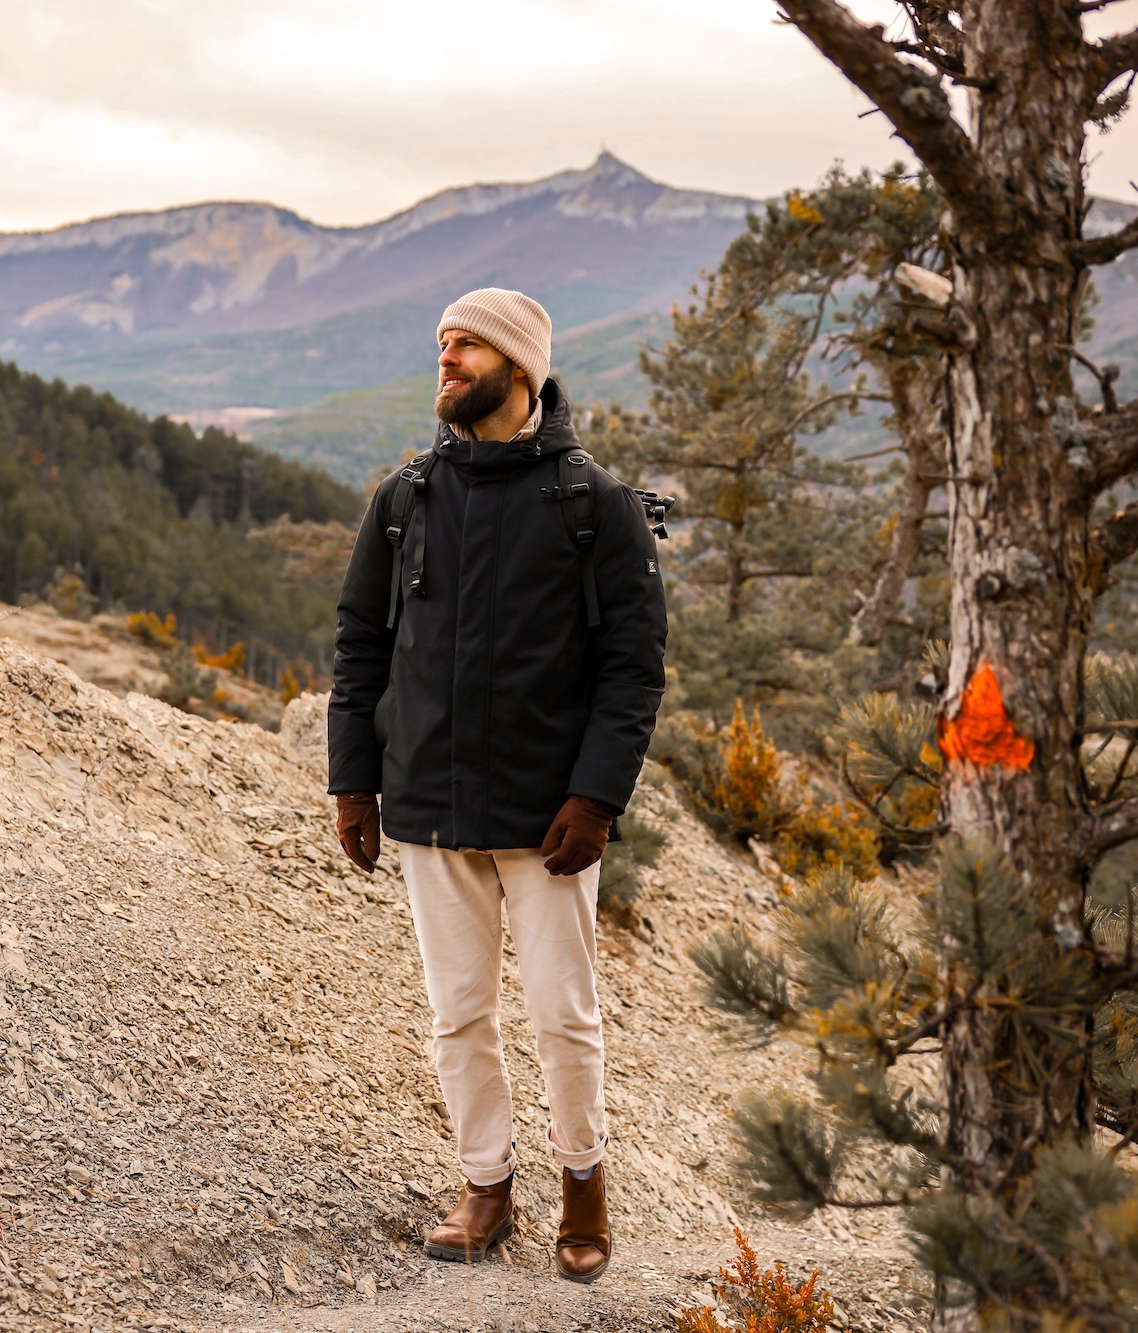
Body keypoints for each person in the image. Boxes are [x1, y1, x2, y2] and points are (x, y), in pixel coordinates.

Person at [326, 288, 668, 1283]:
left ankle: (582, 1188)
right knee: (457, 1012)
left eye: (465, 345)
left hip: (547, 815)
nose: (446, 359)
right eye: (440, 344)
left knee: (563, 1012)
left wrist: (596, 796)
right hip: (429, 809)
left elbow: (633, 667)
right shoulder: (404, 500)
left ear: (518, 367)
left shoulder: (590, 504)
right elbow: (360, 647)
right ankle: (484, 1185)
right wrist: (355, 783)